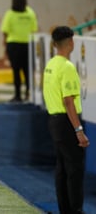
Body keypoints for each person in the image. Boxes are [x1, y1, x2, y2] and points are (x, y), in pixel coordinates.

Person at [43, 26, 89, 214]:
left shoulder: (51, 65)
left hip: (54, 121)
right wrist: (79, 130)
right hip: (68, 122)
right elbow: (68, 101)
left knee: (62, 169)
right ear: (70, 43)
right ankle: (75, 210)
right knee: (74, 170)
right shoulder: (67, 67)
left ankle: (65, 209)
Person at [1, 0, 37, 103]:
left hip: (13, 45)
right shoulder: (30, 13)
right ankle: (28, 94)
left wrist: (5, 45)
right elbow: (34, 30)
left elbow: (5, 31)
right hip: (27, 45)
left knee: (16, 71)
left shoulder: (9, 14)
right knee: (27, 71)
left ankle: (17, 95)